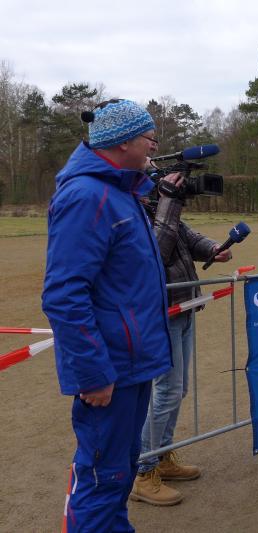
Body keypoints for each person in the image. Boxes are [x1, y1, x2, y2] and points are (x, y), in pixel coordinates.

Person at [41, 99, 172, 532]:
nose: (155, 144)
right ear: (122, 142)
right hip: (109, 370)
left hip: (131, 365)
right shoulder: (87, 197)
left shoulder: (120, 193)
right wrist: (93, 373)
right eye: (149, 136)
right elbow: (64, 294)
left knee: (120, 471)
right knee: (103, 478)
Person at [130, 164, 233, 505]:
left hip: (183, 308)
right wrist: (168, 201)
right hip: (159, 313)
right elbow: (156, 252)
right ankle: (142, 471)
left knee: (177, 389)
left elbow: (186, 236)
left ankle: (162, 456)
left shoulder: (159, 206)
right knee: (166, 391)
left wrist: (213, 249)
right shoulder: (134, 206)